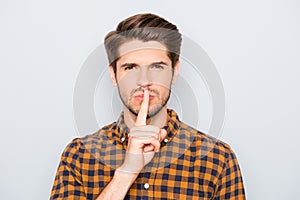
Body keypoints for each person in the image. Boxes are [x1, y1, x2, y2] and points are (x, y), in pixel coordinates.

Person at [50, 13, 246, 199]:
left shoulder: (218, 158)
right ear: (113, 75)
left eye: (157, 67)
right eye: (130, 68)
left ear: (175, 72)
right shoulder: (79, 155)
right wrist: (127, 172)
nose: (144, 81)